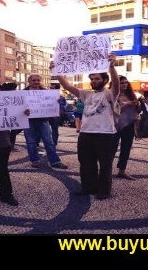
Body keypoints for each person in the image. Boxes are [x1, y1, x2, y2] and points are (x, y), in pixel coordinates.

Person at [52, 53, 120, 200]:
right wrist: (56, 71)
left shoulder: (110, 94)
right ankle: (88, 187)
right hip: (86, 134)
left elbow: (116, 83)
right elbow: (67, 86)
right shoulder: (86, 94)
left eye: (97, 78)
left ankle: (104, 190)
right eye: (92, 79)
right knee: (86, 163)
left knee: (105, 164)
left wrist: (112, 67)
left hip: (105, 134)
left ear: (105, 80)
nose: (93, 81)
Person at [23, 74, 68, 169]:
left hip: (43, 120)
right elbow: (17, 107)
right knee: (30, 142)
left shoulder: (46, 92)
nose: (36, 82)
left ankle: (55, 161)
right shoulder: (23, 93)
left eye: (38, 80)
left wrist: (58, 102)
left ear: (41, 81)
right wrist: (23, 111)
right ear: (29, 81)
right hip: (28, 120)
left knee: (48, 141)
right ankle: (34, 161)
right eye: (34, 80)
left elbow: (56, 102)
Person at [111, 76, 141, 180]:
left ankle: (122, 170)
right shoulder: (113, 95)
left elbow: (137, 111)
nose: (124, 84)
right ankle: (106, 170)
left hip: (130, 125)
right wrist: (126, 105)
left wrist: (139, 105)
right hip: (115, 125)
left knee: (126, 149)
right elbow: (112, 112)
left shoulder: (131, 95)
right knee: (112, 149)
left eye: (126, 82)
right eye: (122, 82)